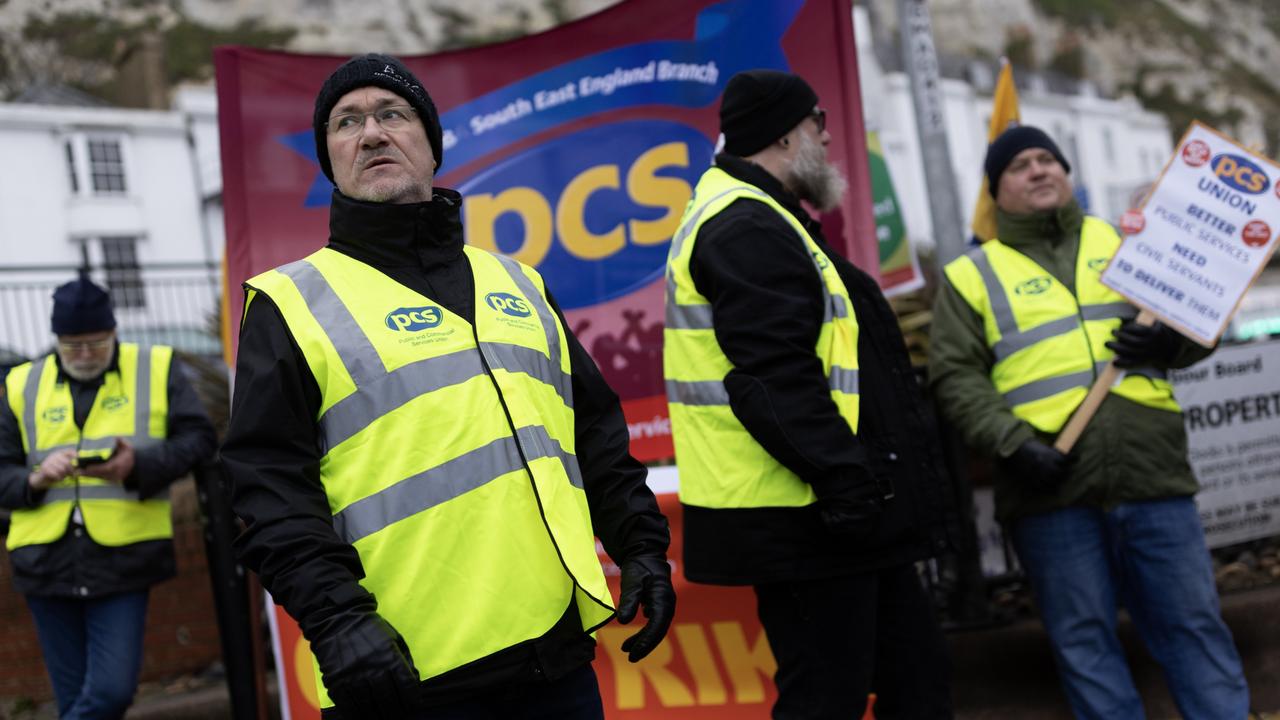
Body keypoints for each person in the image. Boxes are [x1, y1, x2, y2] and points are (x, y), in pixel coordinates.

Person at [219, 53, 675, 720]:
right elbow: (267, 490)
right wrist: (338, 621)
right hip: (404, 677)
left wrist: (641, 547)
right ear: (332, 163)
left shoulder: (518, 283)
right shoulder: (291, 304)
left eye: (392, 114)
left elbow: (594, 435)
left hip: (556, 663)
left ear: (430, 146)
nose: (371, 133)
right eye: (346, 123)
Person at [929, 125, 1250, 718]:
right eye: (1020, 164)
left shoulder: (1130, 240)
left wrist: (1163, 345)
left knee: (1193, 624)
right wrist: (1013, 444)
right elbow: (954, 377)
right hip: (1048, 488)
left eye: (1048, 159)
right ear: (996, 191)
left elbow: (1201, 320)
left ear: (1068, 174)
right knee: (1083, 640)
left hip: (1152, 475)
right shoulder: (969, 275)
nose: (1039, 170)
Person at [663, 69, 953, 719]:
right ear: (791, 135)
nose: (828, 137)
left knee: (917, 680)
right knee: (826, 697)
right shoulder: (743, 226)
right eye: (818, 123)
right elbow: (772, 377)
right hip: (808, 514)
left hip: (835, 510)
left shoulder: (766, 217)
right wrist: (848, 480)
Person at [0, 275, 216, 719]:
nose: (83, 355)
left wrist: (136, 466)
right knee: (77, 700)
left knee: (111, 693)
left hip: (124, 557)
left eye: (95, 343)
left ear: (114, 331)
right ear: (56, 338)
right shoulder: (21, 383)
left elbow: (199, 439)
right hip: (44, 562)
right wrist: (35, 480)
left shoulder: (155, 366)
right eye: (72, 344)